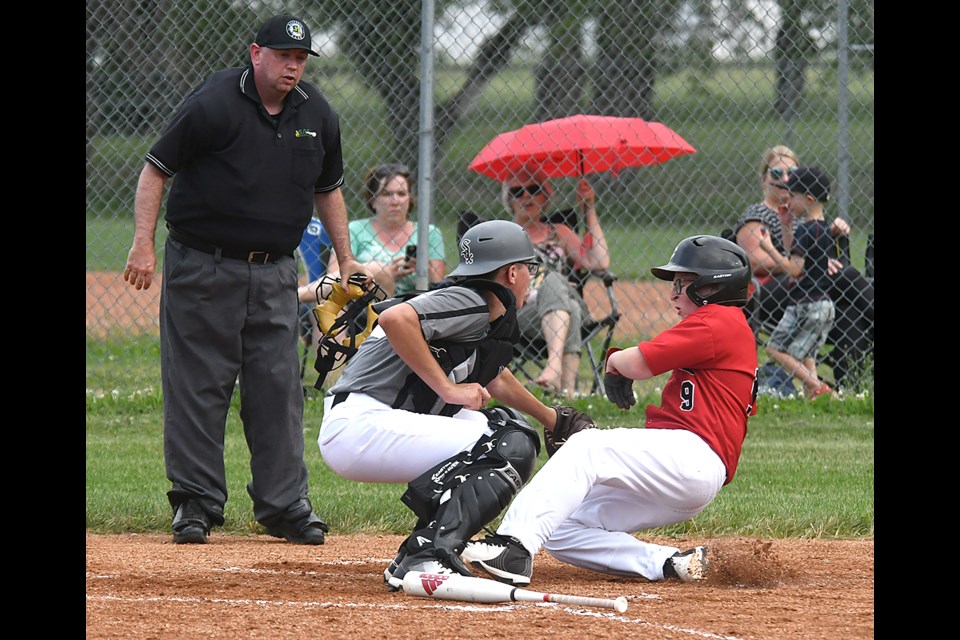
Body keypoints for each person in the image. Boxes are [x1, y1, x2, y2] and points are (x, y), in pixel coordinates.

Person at [121, 14, 371, 545]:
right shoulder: (213, 102)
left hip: (276, 272)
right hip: (203, 264)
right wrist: (142, 244)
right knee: (198, 384)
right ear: (256, 53)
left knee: (277, 389)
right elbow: (156, 168)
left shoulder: (317, 113)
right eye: (284, 56)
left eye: (301, 58)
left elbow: (329, 188)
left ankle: (284, 507)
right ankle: (196, 502)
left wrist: (345, 258)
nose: (293, 66)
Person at [460, 235, 758, 585]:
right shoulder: (723, 325)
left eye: (683, 283)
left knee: (587, 446)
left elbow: (638, 362)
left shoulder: (718, 320)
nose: (673, 293)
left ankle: (512, 546)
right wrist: (621, 365)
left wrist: (614, 362)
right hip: (686, 473)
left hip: (692, 455)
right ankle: (668, 562)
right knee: (562, 528)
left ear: (712, 287)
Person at [318, 220, 594, 590]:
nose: (530, 276)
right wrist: (447, 388)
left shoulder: (477, 306)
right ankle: (428, 555)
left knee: (507, 428)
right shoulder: (471, 301)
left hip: (368, 424)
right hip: (361, 424)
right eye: (528, 268)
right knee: (506, 441)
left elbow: (495, 376)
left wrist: (551, 418)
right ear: (512, 272)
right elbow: (395, 317)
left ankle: (421, 548)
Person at [730, 145, 874, 388]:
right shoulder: (757, 214)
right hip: (770, 293)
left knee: (851, 312)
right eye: (777, 173)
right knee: (846, 275)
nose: (785, 179)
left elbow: (807, 251)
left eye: (792, 173)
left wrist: (833, 232)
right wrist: (813, 263)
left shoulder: (803, 216)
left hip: (809, 290)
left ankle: (850, 388)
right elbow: (753, 260)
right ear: (764, 178)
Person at [501, 166, 610, 397]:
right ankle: (568, 390)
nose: (526, 197)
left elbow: (599, 262)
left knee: (554, 280)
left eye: (534, 189)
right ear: (508, 200)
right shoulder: (503, 236)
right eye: (517, 192)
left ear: (546, 197)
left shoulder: (558, 232)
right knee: (567, 304)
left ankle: (553, 368)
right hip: (522, 314)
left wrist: (589, 208)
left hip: (558, 301)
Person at [762, 167, 837, 399]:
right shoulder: (823, 228)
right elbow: (794, 254)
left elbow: (794, 269)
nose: (788, 200)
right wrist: (786, 224)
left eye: (793, 196)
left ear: (808, 199)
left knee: (774, 348)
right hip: (823, 304)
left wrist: (768, 249)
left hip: (804, 304)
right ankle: (813, 399)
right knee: (807, 356)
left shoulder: (806, 229)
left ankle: (818, 388)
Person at [323, 163, 445, 298]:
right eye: (387, 194)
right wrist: (386, 275)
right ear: (373, 200)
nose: (395, 201)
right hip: (360, 301)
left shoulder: (429, 233)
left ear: (410, 199)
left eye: (401, 193)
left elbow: (439, 288)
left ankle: (299, 294)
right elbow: (333, 276)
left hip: (414, 304)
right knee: (376, 270)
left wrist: (424, 268)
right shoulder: (354, 229)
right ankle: (300, 295)